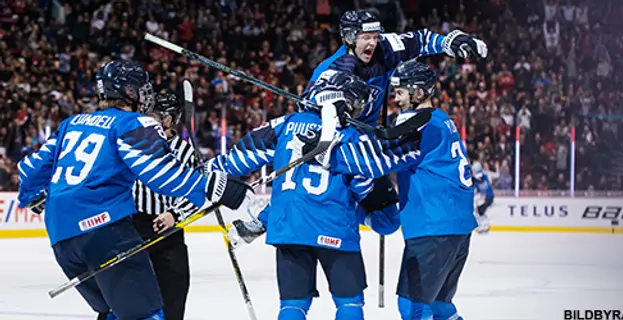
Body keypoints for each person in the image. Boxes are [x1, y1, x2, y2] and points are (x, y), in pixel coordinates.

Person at [16, 59, 254, 320]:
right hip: (104, 232)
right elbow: (162, 175)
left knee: (114, 313)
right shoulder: (132, 123)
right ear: (128, 91)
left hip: (61, 238)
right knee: (145, 316)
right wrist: (215, 186)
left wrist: (34, 198)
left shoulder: (70, 123)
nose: (145, 94)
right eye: (140, 88)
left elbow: (29, 170)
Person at [204, 70, 408, 319]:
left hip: (289, 229)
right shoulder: (351, 136)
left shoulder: (285, 124)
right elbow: (366, 193)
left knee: (292, 307)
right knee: (349, 305)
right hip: (334, 227)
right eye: (355, 106)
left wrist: (204, 171)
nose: (357, 113)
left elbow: (236, 161)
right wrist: (371, 213)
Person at [301, 61, 476, 320]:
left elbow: (377, 159)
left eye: (401, 91)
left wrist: (328, 153)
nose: (395, 97)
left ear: (419, 93)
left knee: (414, 308)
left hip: (433, 227)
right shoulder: (441, 120)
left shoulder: (416, 122)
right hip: (456, 227)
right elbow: (389, 143)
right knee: (440, 305)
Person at [307, 9, 488, 126]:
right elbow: (306, 104)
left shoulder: (386, 47)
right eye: (365, 37)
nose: (372, 43)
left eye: (375, 36)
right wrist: (327, 104)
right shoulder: (330, 69)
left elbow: (421, 40)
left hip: (368, 135)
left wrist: (448, 42)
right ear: (349, 38)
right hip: (341, 141)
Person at [128, 92, 199, 320]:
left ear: (167, 120)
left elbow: (196, 193)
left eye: (152, 114)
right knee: (124, 297)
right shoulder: (133, 144)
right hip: (133, 229)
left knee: (173, 299)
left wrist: (175, 214)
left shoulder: (185, 151)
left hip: (169, 231)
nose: (145, 118)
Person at [472, 162, 494, 233]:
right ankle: (484, 225)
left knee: (480, 211)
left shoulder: (480, 175)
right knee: (480, 211)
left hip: (488, 197)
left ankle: (485, 225)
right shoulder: (481, 175)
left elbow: (480, 181)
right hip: (485, 196)